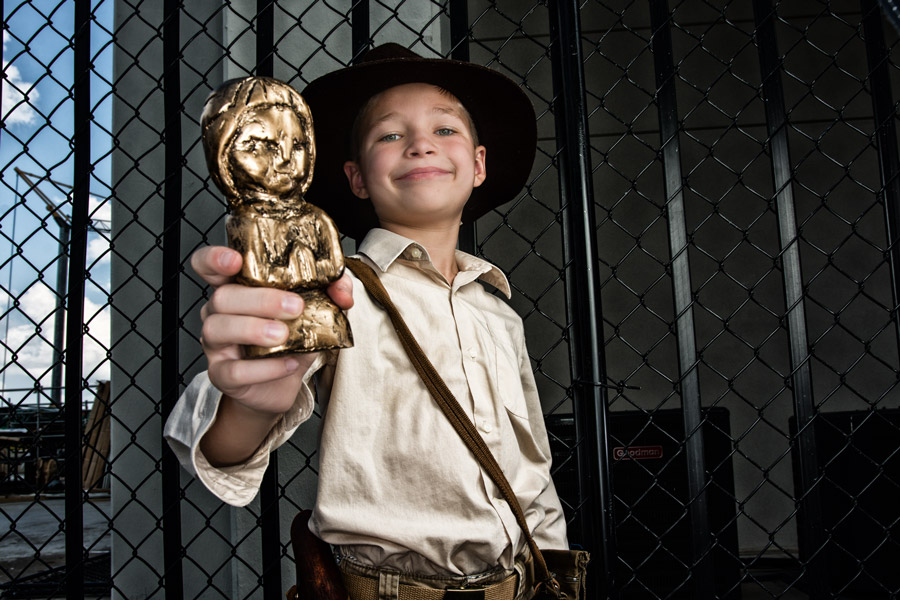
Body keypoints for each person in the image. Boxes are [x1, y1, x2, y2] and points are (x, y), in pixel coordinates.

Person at [165, 43, 568, 600]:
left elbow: (532, 464)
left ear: (478, 165)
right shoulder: (335, 289)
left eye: (444, 130)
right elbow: (225, 447)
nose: (421, 143)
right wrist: (250, 399)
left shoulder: (497, 309)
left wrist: (551, 556)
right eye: (389, 135)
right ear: (355, 177)